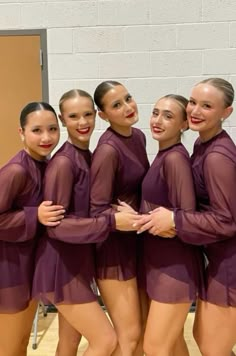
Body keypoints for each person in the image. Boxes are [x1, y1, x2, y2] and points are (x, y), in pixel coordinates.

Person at [136, 78, 236, 356]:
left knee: (211, 346)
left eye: (207, 106)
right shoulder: (203, 146)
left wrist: (176, 220)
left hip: (230, 264)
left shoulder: (217, 156)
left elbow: (227, 221)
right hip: (217, 260)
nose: (195, 110)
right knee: (205, 339)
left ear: (226, 112)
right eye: (193, 102)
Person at [33, 89, 118, 356]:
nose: (83, 122)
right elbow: (56, 226)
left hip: (77, 263)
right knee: (106, 341)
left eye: (88, 114)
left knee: (69, 342)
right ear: (62, 119)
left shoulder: (86, 155)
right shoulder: (64, 163)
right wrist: (112, 222)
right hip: (61, 267)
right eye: (73, 116)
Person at [135, 94, 203, 356]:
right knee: (173, 344)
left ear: (184, 124)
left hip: (174, 268)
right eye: (155, 113)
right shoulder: (163, 155)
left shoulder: (175, 158)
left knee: (154, 347)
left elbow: (184, 217)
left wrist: (145, 219)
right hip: (159, 262)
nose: (158, 120)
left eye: (168, 116)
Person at [90, 81, 150, 355]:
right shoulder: (108, 151)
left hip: (134, 243)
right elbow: (97, 210)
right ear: (103, 115)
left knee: (139, 334)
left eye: (128, 98)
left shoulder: (138, 136)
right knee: (128, 336)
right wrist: (127, 219)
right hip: (113, 250)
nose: (128, 107)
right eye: (116, 105)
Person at [0, 102, 62, 356]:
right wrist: (34, 214)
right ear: (21, 132)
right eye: (37, 130)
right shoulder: (16, 170)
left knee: (22, 340)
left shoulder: (45, 164)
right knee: (10, 344)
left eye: (52, 129)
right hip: (9, 268)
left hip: (29, 264)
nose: (46, 137)